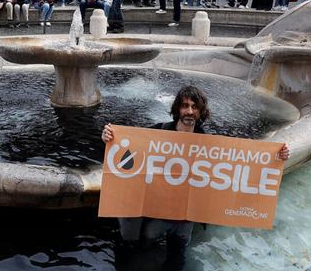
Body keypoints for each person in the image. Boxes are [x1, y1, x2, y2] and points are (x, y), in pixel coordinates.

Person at [101, 86, 289, 270]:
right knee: (142, 247)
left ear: (201, 111)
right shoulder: (158, 132)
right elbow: (126, 149)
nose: (189, 111)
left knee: (176, 260)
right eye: (185, 106)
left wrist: (276, 157)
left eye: (194, 107)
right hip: (156, 212)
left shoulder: (209, 144)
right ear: (177, 109)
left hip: (185, 219)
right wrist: (109, 137)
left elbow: (245, 166)